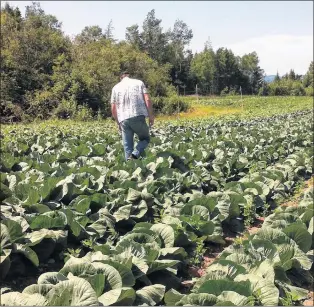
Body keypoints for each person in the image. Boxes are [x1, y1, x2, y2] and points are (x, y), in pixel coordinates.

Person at [110, 71, 154, 161]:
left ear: (120, 78)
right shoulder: (139, 83)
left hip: (123, 119)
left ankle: (129, 169)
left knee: (127, 148)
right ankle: (136, 153)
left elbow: (113, 108)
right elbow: (147, 99)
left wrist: (118, 122)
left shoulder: (115, 88)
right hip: (137, 115)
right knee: (145, 138)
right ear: (129, 76)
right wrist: (151, 115)